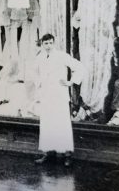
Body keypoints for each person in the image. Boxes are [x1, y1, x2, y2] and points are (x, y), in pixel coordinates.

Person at [34, 33, 85, 167]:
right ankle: (48, 153)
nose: (48, 46)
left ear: (54, 43)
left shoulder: (62, 56)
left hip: (59, 95)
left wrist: (71, 82)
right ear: (42, 44)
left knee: (62, 124)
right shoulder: (39, 58)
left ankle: (67, 155)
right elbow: (35, 74)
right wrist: (40, 85)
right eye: (46, 43)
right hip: (46, 95)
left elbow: (79, 67)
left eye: (51, 43)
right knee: (47, 124)